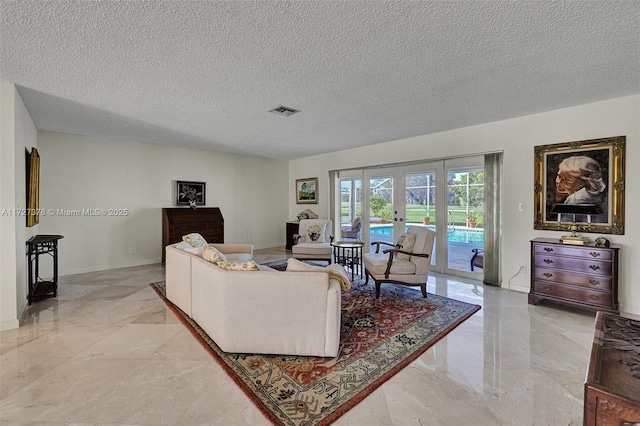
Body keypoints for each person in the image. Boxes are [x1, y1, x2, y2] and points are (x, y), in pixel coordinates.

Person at [554, 155, 607, 222]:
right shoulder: (598, 194)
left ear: (583, 182)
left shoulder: (576, 200)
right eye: (559, 176)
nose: (558, 181)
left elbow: (565, 225)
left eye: (567, 180)